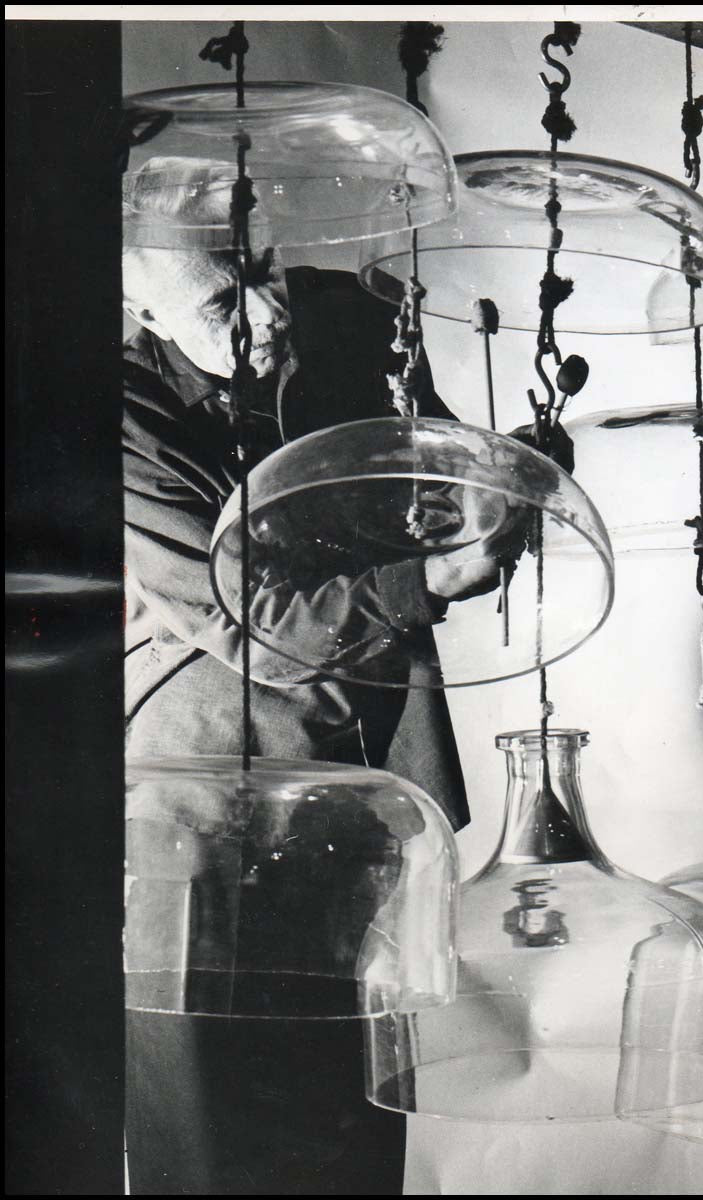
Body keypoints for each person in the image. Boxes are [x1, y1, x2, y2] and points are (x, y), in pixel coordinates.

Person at [121, 156, 505, 1195]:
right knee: (216, 1141)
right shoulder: (109, 412)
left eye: (264, 271)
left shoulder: (351, 327)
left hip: (368, 790)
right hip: (201, 814)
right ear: (140, 307)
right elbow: (247, 619)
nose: (263, 312)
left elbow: (438, 482)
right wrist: (422, 578)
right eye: (219, 299)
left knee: (354, 1126)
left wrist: (501, 492)